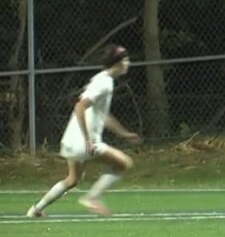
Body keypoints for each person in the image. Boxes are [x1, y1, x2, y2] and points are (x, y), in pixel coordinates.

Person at [26, 44, 140, 218]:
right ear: (116, 63)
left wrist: (123, 134)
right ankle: (92, 198)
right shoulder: (105, 83)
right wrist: (87, 139)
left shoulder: (101, 79)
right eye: (125, 60)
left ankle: (36, 209)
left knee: (72, 180)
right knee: (124, 163)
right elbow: (80, 106)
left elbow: (103, 116)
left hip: (70, 141)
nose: (128, 63)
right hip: (84, 143)